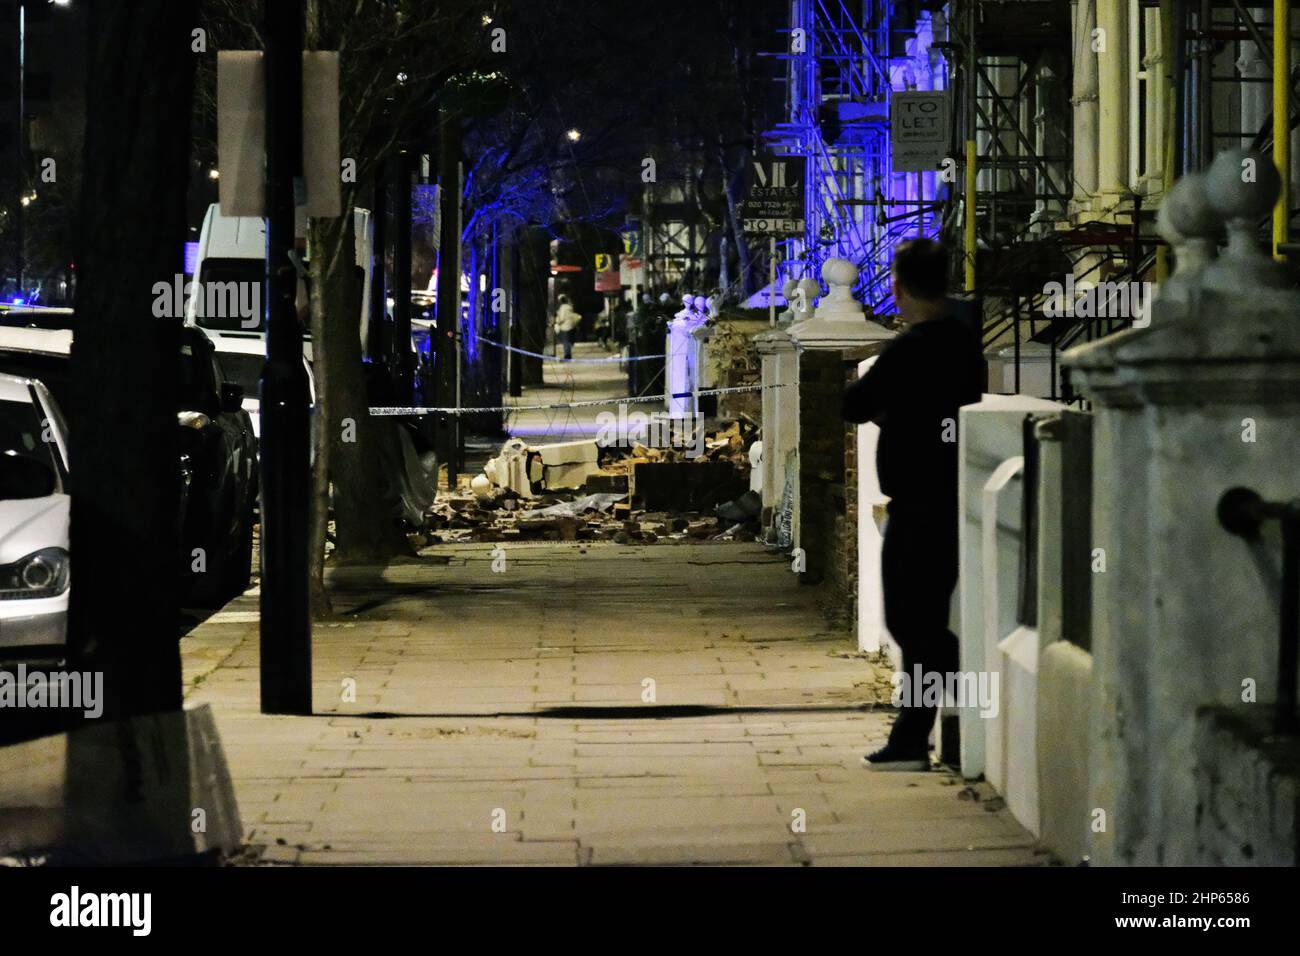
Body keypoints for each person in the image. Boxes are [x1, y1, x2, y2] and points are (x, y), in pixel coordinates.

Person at [841, 238, 984, 771]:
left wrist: (894, 412)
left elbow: (853, 404)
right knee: (924, 616)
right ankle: (922, 723)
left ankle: (917, 729)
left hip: (916, 501)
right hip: (953, 492)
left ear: (898, 288)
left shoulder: (908, 348)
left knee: (909, 619)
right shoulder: (965, 344)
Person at [554, 294, 581, 360]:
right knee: (569, 341)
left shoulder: (562, 308)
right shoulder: (570, 307)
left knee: (566, 341)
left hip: (565, 327)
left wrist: (557, 322)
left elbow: (562, 318)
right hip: (571, 325)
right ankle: (568, 353)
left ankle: (567, 355)